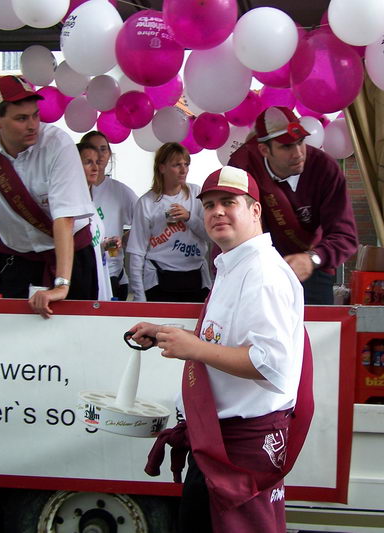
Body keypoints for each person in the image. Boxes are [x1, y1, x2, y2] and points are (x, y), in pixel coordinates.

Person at [130, 166, 313, 532]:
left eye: (229, 202)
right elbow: (223, 341)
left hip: (237, 450)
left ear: (255, 211)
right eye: (209, 204)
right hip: (220, 443)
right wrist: (169, 334)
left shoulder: (261, 273)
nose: (216, 212)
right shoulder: (235, 266)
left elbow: (269, 364)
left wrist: (193, 348)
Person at [0, 75, 96, 319]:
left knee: (74, 340)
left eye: (35, 115)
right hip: (18, 257)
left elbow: (64, 219)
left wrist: (61, 286)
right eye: (21, 118)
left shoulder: (58, 144)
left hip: (70, 255)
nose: (33, 125)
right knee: (14, 337)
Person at [228, 106, 358, 304]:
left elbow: (345, 237)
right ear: (264, 150)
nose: (298, 153)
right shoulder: (243, 166)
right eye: (286, 147)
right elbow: (230, 224)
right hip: (256, 270)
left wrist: (313, 259)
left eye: (300, 142)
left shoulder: (325, 168)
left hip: (312, 270)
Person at [126, 142, 211, 302]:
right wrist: (139, 296)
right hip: (159, 277)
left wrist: (189, 217)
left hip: (196, 276)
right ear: (162, 167)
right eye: (176, 165)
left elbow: (210, 235)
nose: (183, 169)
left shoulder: (196, 193)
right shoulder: (147, 202)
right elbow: (137, 251)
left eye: (186, 164)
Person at [81, 131, 138, 300]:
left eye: (103, 149)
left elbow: (144, 223)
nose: (98, 155)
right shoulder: (72, 192)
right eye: (93, 149)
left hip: (113, 275)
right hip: (83, 274)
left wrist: (125, 238)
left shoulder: (121, 191)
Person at [77, 141, 112, 301]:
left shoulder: (89, 203)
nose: (95, 168)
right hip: (81, 288)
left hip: (99, 282)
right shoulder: (70, 206)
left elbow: (91, 245)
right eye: (88, 162)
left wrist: (104, 245)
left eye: (97, 162)